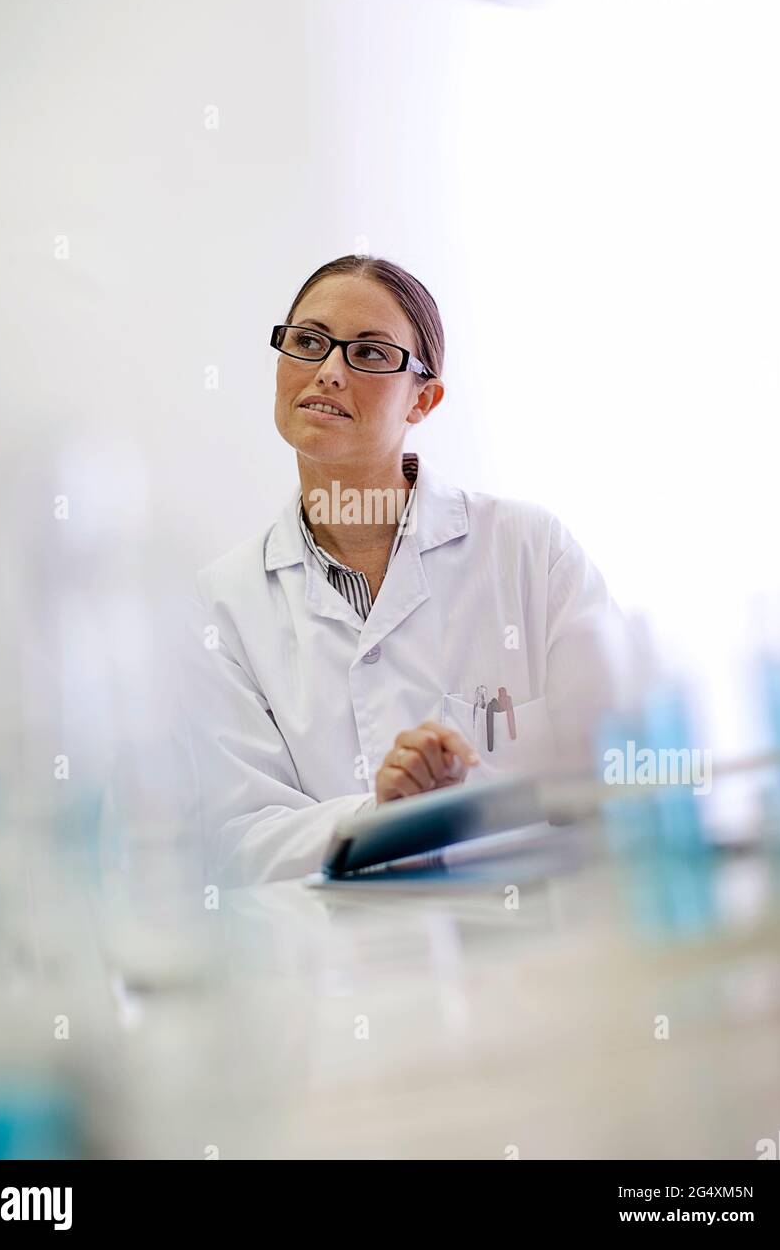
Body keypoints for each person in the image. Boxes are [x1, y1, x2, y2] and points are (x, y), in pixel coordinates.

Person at [173, 255, 622, 886]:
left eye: (371, 354)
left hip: (531, 950)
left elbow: (620, 763)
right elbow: (237, 837)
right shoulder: (223, 604)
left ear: (424, 399)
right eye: (308, 343)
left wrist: (461, 801)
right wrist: (381, 815)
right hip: (341, 969)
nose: (328, 371)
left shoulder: (528, 550)